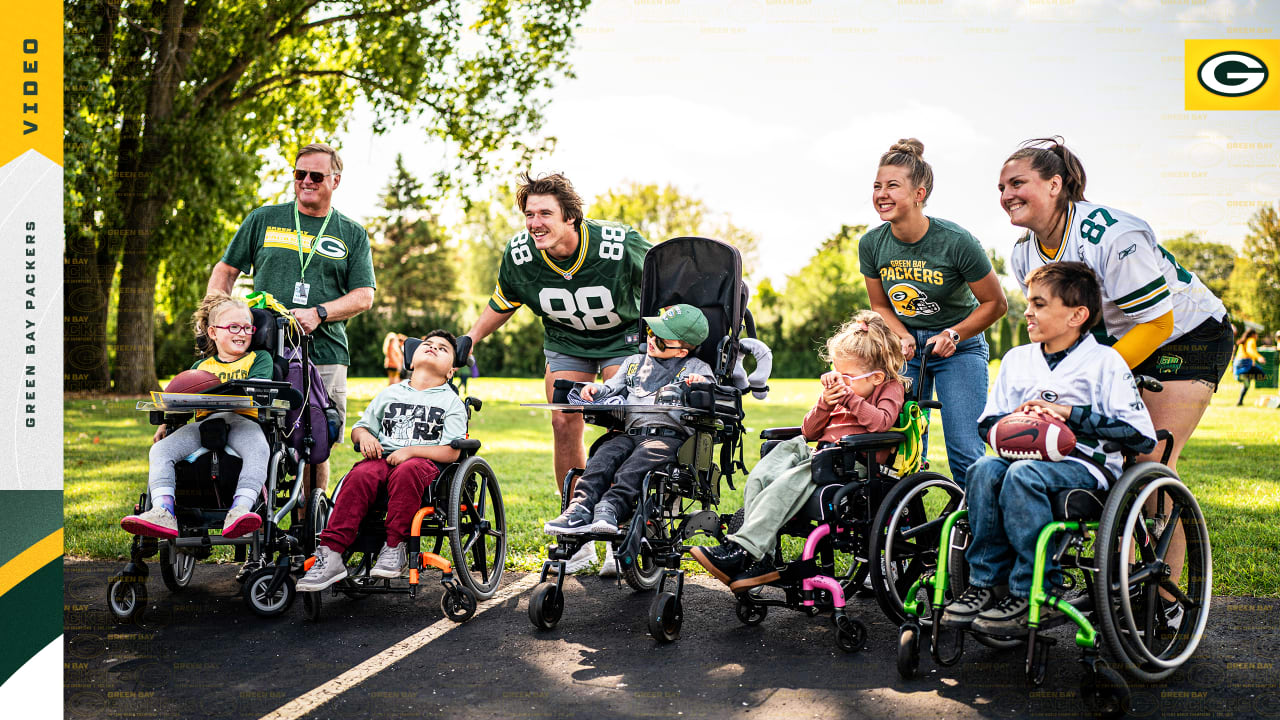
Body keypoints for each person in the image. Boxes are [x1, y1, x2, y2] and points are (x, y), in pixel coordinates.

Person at [941, 263, 1156, 636]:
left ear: (1077, 315)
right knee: (982, 470)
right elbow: (987, 425)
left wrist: (1067, 415)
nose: (1027, 311)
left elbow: (1141, 437)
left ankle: (1034, 586)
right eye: (1028, 303)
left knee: (1023, 476)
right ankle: (986, 583)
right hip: (1020, 459)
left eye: (1039, 304)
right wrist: (1020, 421)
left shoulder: (1105, 362)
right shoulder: (1016, 360)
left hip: (1087, 467)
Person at [999, 137, 1231, 473]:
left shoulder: (1114, 236)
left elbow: (1157, 324)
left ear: (1054, 184)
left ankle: (1163, 522)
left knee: (1148, 458)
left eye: (1017, 183)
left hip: (1185, 334)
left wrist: (1088, 375)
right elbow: (1056, 327)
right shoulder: (1023, 253)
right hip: (1120, 340)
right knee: (1083, 450)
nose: (1006, 196)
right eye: (1002, 187)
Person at [459, 172, 650, 573]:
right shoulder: (520, 254)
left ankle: (616, 523)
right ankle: (576, 526)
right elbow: (504, 301)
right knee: (564, 422)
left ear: (571, 218)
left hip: (622, 340)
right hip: (566, 343)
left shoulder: (618, 245)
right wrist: (472, 338)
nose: (534, 223)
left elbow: (666, 279)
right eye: (529, 214)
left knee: (620, 423)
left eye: (545, 213)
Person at [690, 311, 906, 591]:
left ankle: (742, 551)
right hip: (820, 454)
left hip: (851, 463)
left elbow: (881, 423)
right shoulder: (843, 392)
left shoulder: (891, 388)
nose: (839, 381)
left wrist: (851, 399)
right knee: (762, 476)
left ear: (876, 377)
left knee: (786, 484)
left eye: (847, 377)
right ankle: (761, 559)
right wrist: (826, 404)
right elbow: (810, 431)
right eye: (835, 373)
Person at [208, 142, 376, 498]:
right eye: (300, 174)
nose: (307, 181)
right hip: (261, 353)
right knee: (254, 431)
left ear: (335, 180)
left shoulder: (352, 232)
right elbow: (225, 270)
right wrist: (217, 317)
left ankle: (306, 529)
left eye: (316, 175)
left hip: (325, 352)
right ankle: (255, 520)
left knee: (316, 442)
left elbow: (364, 295)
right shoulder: (263, 219)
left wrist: (320, 313)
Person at [859, 138, 1007, 486]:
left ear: (918, 193)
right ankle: (906, 527)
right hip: (906, 349)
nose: (882, 193)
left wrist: (954, 334)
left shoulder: (956, 241)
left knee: (964, 449)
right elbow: (880, 305)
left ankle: (974, 527)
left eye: (893, 185)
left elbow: (995, 304)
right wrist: (901, 335)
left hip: (960, 346)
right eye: (877, 186)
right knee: (903, 446)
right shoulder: (871, 243)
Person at [297, 330, 468, 591]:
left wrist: (411, 451)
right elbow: (359, 428)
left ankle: (394, 547)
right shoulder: (389, 394)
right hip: (383, 459)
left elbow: (452, 451)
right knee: (360, 474)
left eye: (443, 349)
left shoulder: (451, 402)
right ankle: (330, 553)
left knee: (407, 471)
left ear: (451, 372)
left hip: (425, 466)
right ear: (411, 361)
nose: (433, 347)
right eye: (428, 344)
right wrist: (364, 437)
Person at [543, 305, 712, 556]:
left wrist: (700, 387)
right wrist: (594, 391)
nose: (652, 340)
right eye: (651, 333)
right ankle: (578, 509)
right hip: (629, 433)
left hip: (666, 438)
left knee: (634, 468)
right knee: (602, 459)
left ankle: (610, 508)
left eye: (662, 340)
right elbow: (611, 388)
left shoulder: (697, 369)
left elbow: (712, 391)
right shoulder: (634, 363)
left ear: (682, 351)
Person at [121, 292, 273, 539]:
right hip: (205, 423)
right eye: (234, 327)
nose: (242, 333)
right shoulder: (200, 369)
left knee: (259, 449)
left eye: (247, 328)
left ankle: (241, 508)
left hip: (243, 421)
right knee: (160, 450)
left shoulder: (259, 358)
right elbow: (182, 400)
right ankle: (163, 510)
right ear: (213, 332)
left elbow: (260, 386)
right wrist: (166, 422)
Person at [1234, 328, 1267, 406]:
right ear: (1253, 335)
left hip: (1238, 364)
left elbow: (1242, 354)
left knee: (1247, 384)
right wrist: (1259, 357)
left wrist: (1252, 362)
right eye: (1256, 334)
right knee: (1262, 375)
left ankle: (1240, 401)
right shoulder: (1251, 340)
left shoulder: (1244, 341)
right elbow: (1250, 350)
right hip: (1245, 364)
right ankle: (1246, 377)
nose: (1257, 336)